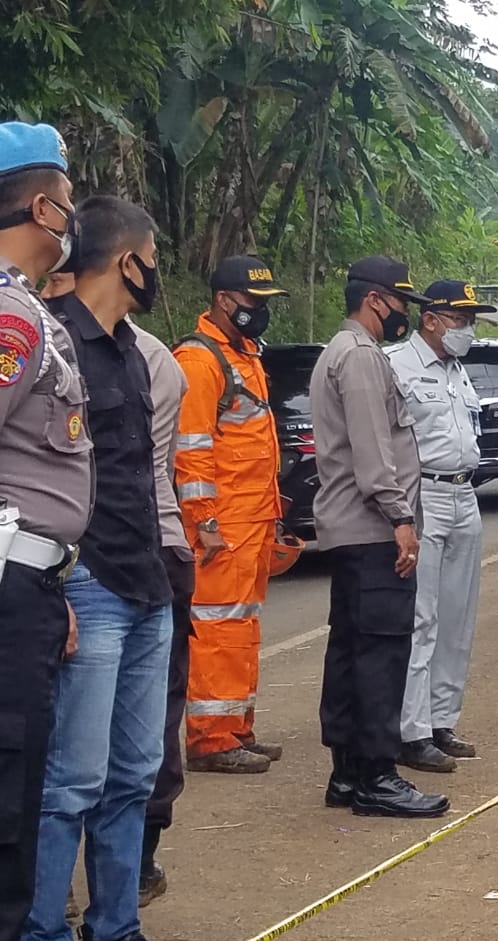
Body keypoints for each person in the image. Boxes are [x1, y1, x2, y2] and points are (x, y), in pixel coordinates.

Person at [28, 195, 178, 941]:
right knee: (71, 783)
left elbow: (140, 476)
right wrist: (55, 587)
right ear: (128, 261)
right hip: (86, 583)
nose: (157, 271)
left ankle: (115, 931)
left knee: (134, 775)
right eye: (153, 257)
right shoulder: (50, 343)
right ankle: (44, 934)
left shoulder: (132, 349)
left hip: (146, 585)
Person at [0, 121, 93, 941]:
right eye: (69, 204)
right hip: (5, 590)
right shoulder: (9, 318)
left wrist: (45, 584)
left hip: (27, 585)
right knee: (6, 802)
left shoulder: (26, 310)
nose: (76, 221)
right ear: (41, 206)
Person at [311, 255, 448, 819]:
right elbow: (375, 455)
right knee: (381, 652)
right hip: (372, 528)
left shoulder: (335, 351)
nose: (403, 315)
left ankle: (346, 773)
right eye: (400, 303)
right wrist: (402, 519)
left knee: (349, 648)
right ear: (376, 300)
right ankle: (377, 775)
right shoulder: (363, 357)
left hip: (348, 528)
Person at [173, 255, 288, 775]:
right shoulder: (199, 362)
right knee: (217, 628)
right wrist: (206, 522)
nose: (259, 311)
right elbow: (191, 452)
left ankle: (237, 726)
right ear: (224, 300)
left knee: (240, 627)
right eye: (253, 302)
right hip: (223, 526)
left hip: (253, 519)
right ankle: (211, 738)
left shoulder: (243, 355)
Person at [387, 280, 490, 776]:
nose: (467, 329)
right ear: (431, 319)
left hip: (464, 492)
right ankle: (412, 731)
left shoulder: (457, 371)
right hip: (423, 494)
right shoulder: (396, 366)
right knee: (422, 619)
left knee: (457, 617)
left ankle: (442, 720)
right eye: (461, 319)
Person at [132, 320, 193, 905]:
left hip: (158, 548)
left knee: (147, 727)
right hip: (121, 553)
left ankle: (138, 863)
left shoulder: (154, 358)